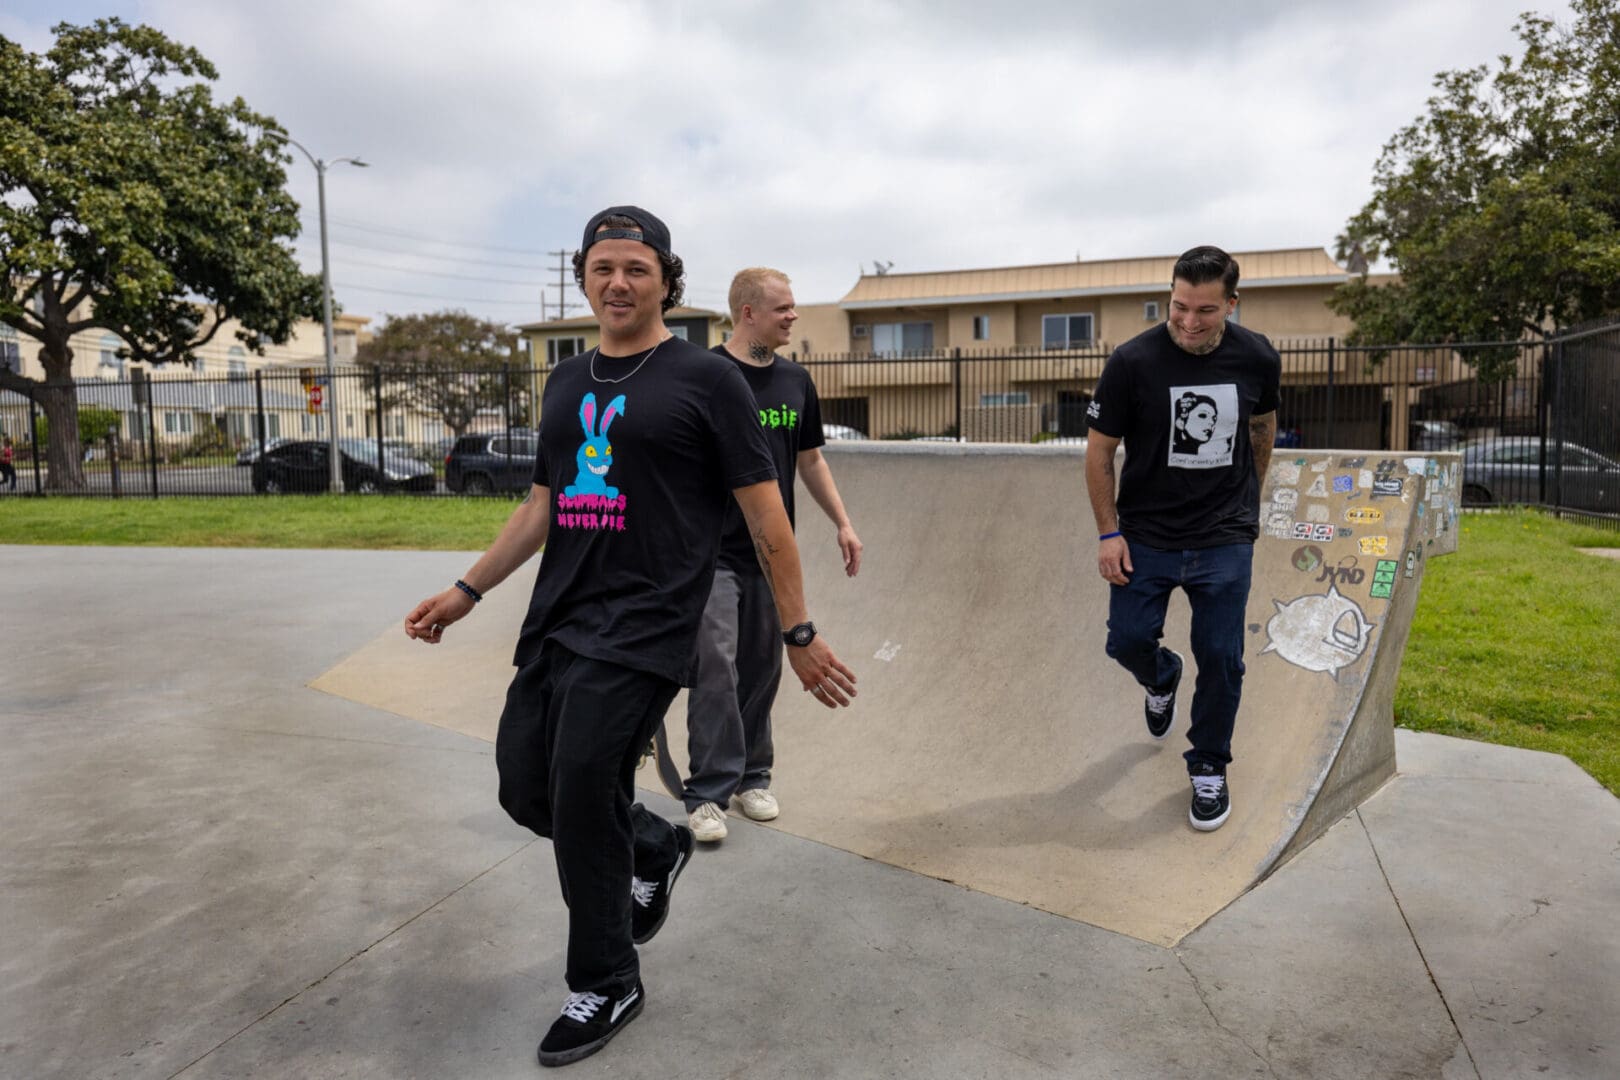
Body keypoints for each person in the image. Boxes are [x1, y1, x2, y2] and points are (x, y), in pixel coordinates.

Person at [402, 207, 857, 1069]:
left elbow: (767, 515)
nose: (618, 282)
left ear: (665, 281)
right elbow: (542, 502)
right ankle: (655, 842)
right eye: (603, 267)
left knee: (580, 789)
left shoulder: (705, 380)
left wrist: (797, 632)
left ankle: (607, 976)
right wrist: (467, 590)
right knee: (525, 788)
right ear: (584, 276)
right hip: (562, 617)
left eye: (636, 269)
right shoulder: (567, 382)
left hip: (651, 622)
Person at [1083, 245, 1279, 832]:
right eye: (1179, 307)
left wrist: (1250, 502)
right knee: (1127, 641)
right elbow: (1099, 454)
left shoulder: (1258, 357)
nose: (1189, 323)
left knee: (1222, 659)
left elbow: (1261, 427)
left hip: (1225, 536)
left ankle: (1209, 765)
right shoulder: (1132, 362)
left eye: (1206, 311)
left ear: (1231, 305)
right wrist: (1109, 532)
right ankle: (1161, 676)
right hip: (1147, 534)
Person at [679, 267, 863, 843]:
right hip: (711, 553)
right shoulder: (706, 375)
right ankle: (708, 790)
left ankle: (752, 776)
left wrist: (842, 521)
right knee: (715, 662)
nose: (793, 316)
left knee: (761, 668)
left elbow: (810, 460)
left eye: (793, 307)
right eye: (782, 308)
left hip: (769, 552)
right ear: (747, 312)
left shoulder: (795, 381)